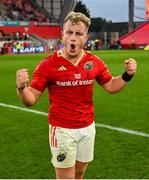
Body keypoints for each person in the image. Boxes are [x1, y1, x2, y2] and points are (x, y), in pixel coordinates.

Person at [16, 11, 137, 179]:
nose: (73, 38)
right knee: (66, 177)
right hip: (62, 130)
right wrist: (21, 88)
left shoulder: (94, 62)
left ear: (85, 38)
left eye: (78, 33)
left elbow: (110, 85)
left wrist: (127, 75)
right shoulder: (47, 65)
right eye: (69, 32)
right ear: (62, 35)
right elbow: (31, 99)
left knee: (79, 175)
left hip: (87, 128)